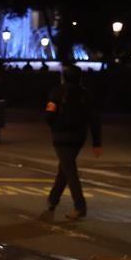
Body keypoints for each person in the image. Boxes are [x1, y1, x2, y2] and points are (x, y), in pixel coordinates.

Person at [44, 65, 102, 221]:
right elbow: (94, 119)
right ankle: (53, 199)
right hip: (78, 137)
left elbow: (49, 115)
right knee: (66, 167)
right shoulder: (86, 95)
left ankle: (80, 206)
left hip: (61, 135)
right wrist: (97, 142)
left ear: (64, 77)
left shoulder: (56, 92)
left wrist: (54, 125)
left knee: (69, 170)